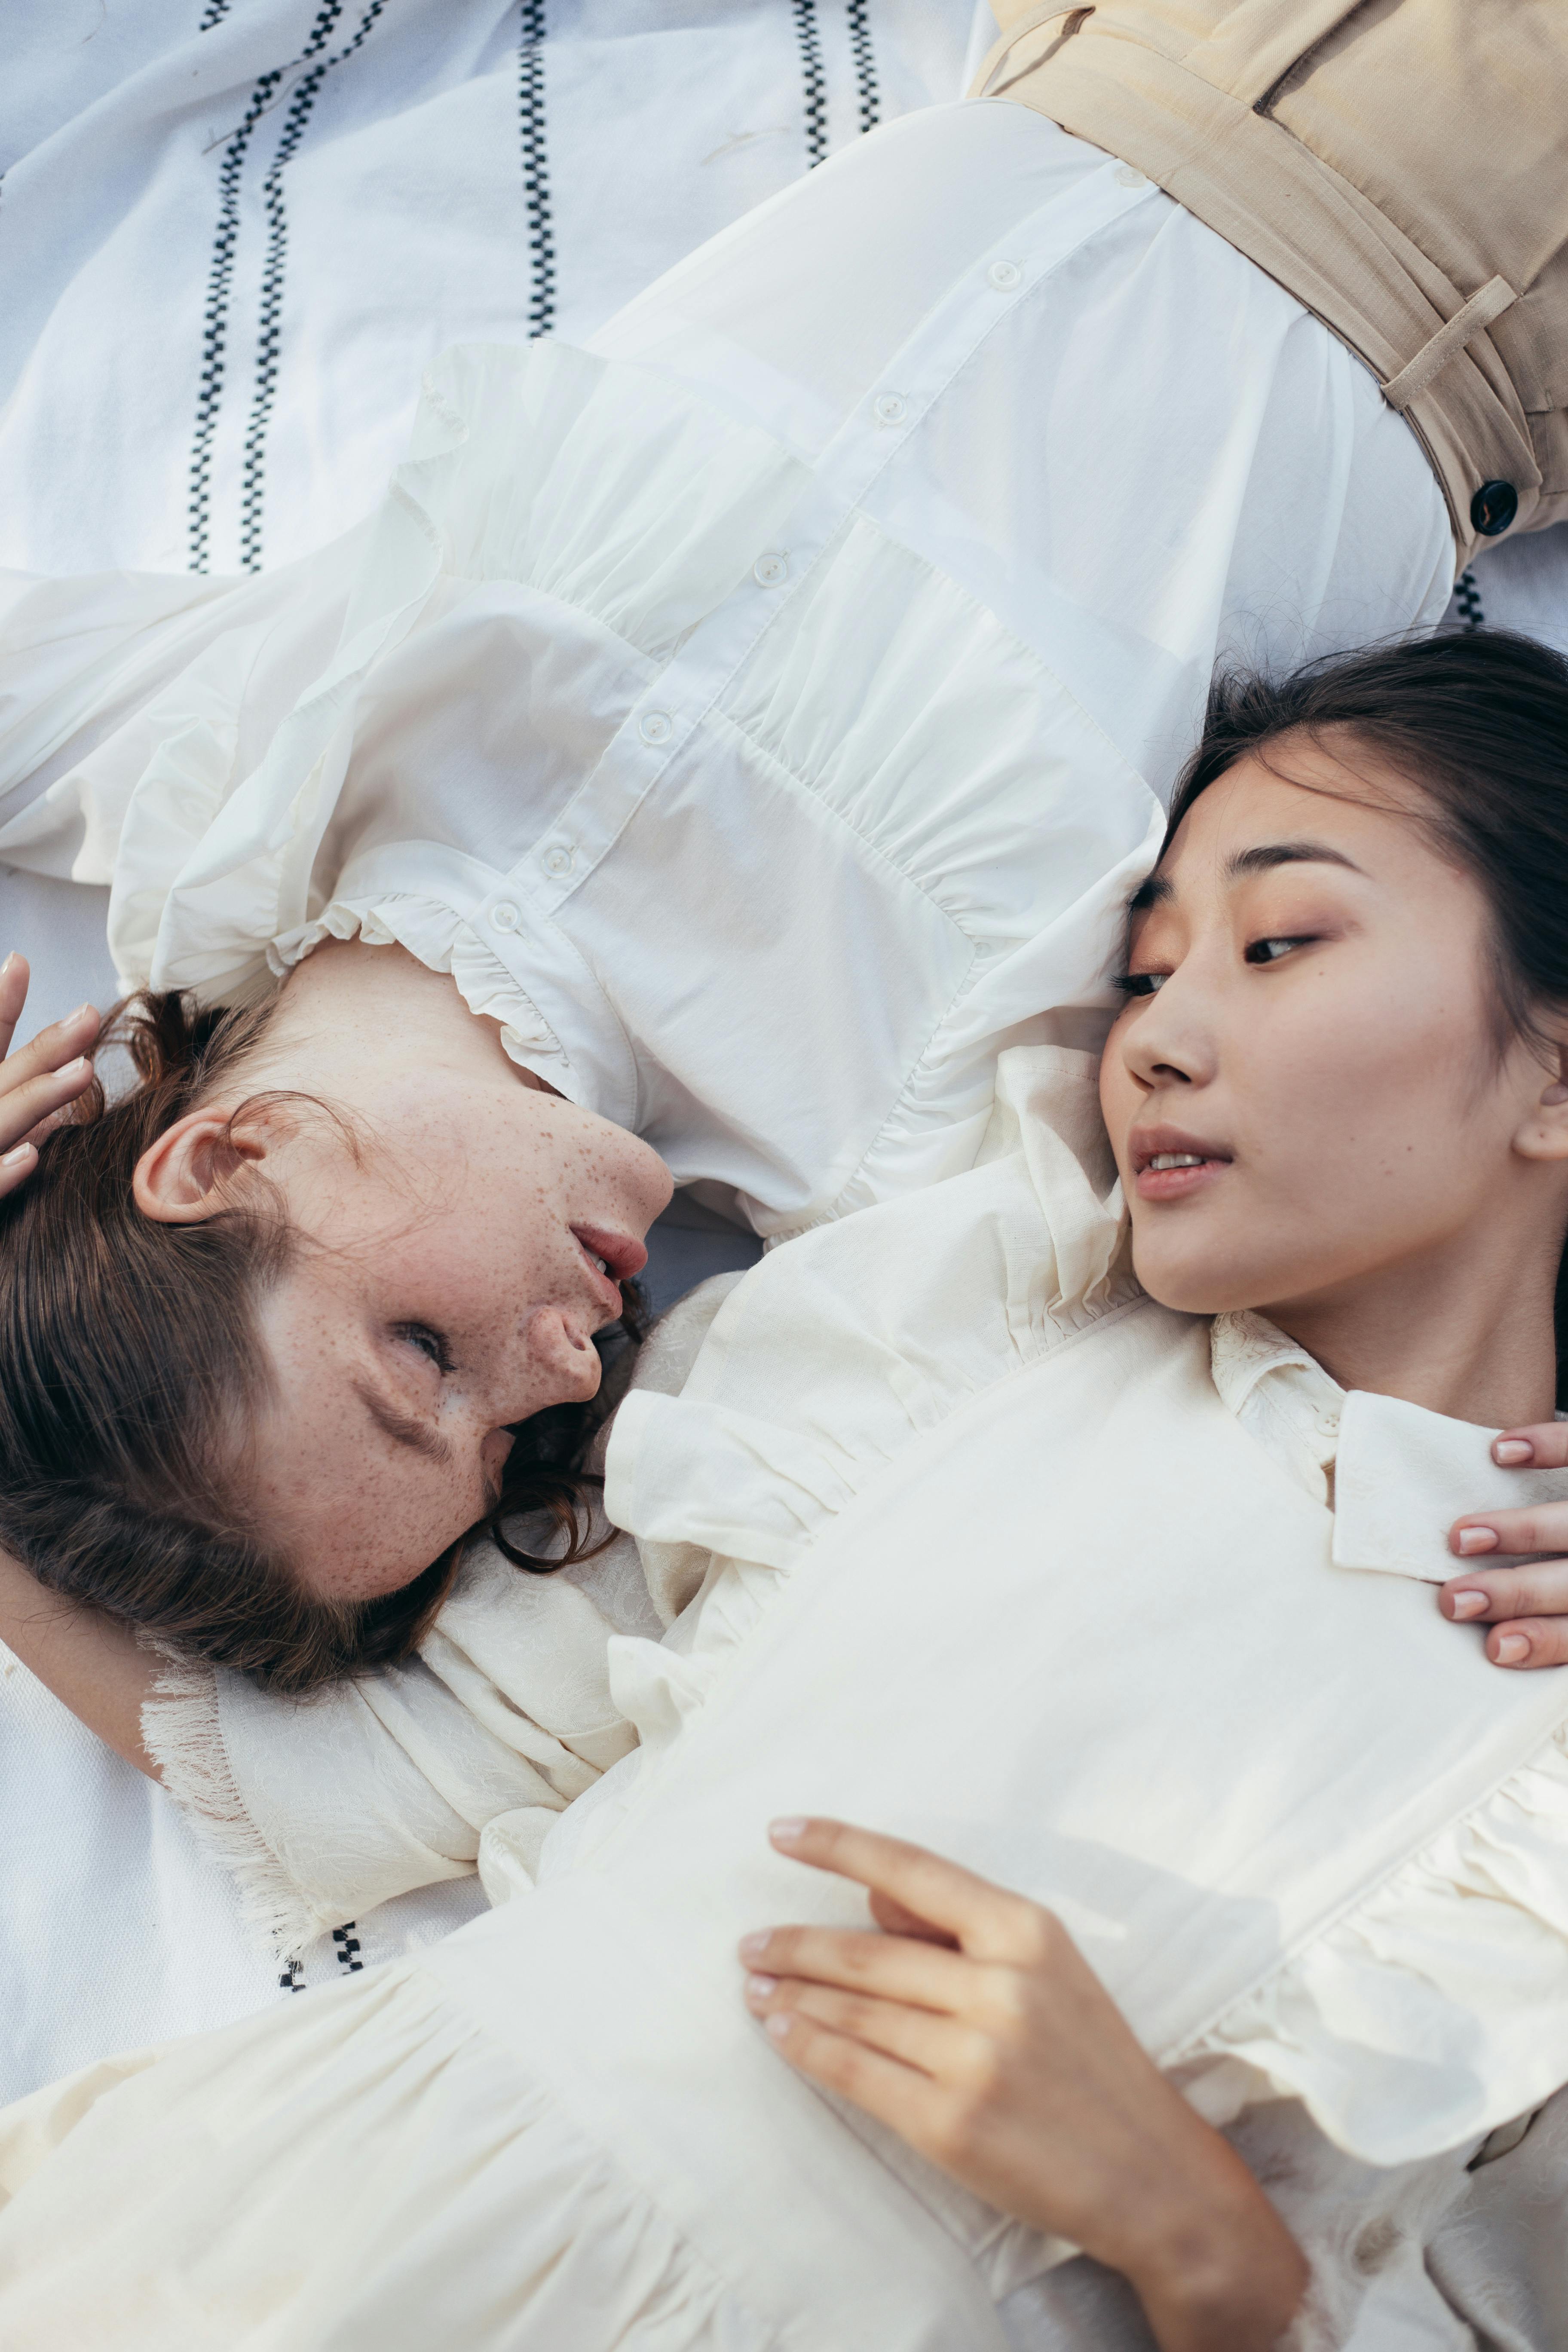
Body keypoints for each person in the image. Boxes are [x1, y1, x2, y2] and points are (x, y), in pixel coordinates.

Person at [6, 629, 1568, 2351]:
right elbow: (372, 1781)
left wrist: (1198, 2239)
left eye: (1282, 944)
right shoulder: (973, 1307)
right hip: (303, 2238)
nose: (1159, 1041)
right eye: (1143, 975)